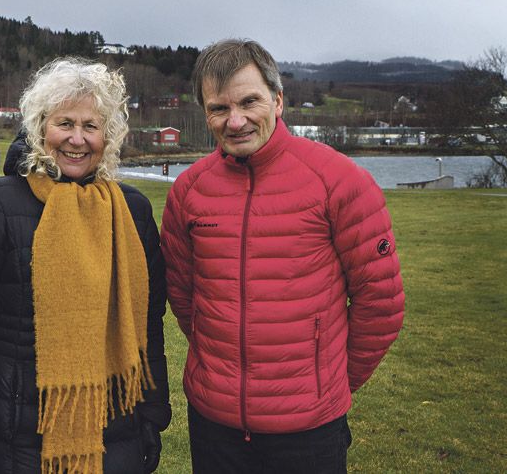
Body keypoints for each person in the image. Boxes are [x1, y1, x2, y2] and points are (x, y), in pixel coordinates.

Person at [160, 39, 405, 473]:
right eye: (219, 108)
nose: (235, 121)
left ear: (277, 100)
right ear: (205, 113)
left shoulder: (339, 181)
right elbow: (182, 295)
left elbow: (381, 303)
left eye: (248, 102)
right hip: (214, 425)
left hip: (308, 430)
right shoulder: (189, 191)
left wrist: (329, 383)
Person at [0, 58, 171, 473]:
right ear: (40, 128)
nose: (77, 139)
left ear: (108, 135)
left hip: (117, 430)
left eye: (91, 126)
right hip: (19, 440)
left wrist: (152, 413)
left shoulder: (132, 212)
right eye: (65, 123)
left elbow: (147, 323)